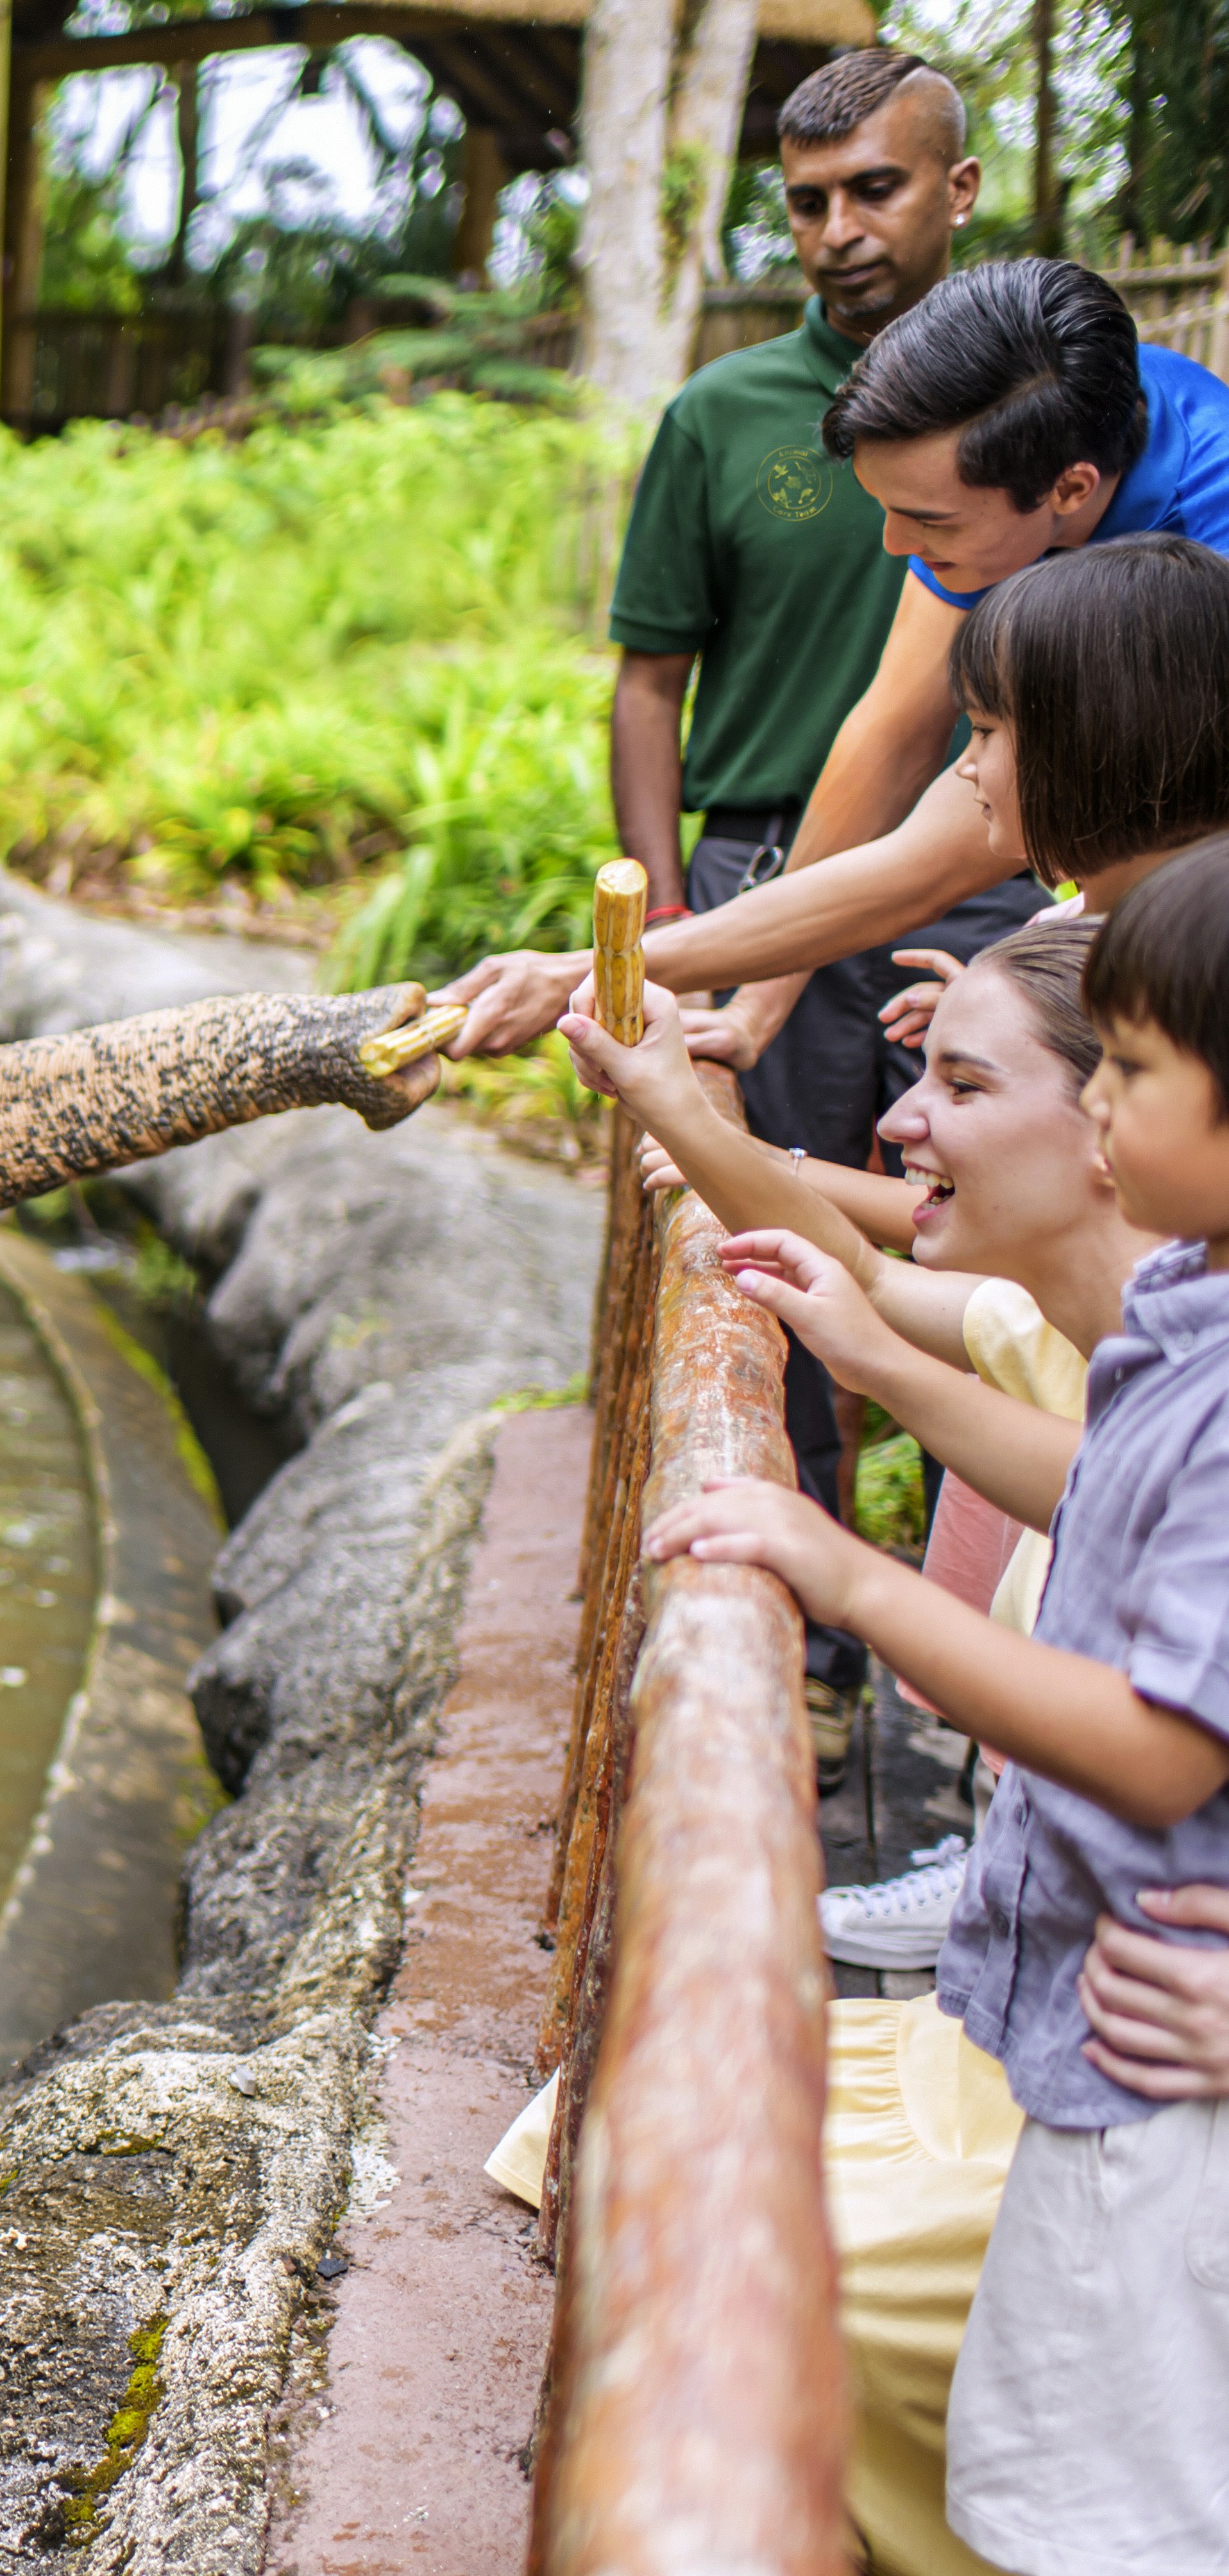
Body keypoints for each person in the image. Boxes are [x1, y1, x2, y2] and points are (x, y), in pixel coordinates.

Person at [643, 845, 1229, 2576]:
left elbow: (1165, 1738)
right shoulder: (1184, 1316)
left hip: (1156, 2067)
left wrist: (852, 1577)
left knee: (1100, 2521)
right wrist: (884, 1372)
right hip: (1096, 2031)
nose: (1105, 1109)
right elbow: (1088, 1476)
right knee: (1031, 2478)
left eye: (1129, 1070)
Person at [597, 47, 1031, 1727]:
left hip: (984, 868)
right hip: (765, 853)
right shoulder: (719, 416)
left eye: (878, 189)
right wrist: (660, 904)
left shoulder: (1047, 406)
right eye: (808, 200)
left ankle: (981, 1619)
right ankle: (819, 1629)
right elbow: (652, 676)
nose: (840, 229)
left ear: (960, 189)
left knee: (989, 1225)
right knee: (761, 1217)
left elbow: (916, 724)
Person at [443, 258, 1229, 1057]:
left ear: (1069, 490)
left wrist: (593, 970)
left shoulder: (1202, 549)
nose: (896, 547)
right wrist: (757, 1007)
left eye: (925, 521)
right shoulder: (1023, 439)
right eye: (885, 510)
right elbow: (888, 736)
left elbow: (927, 862)